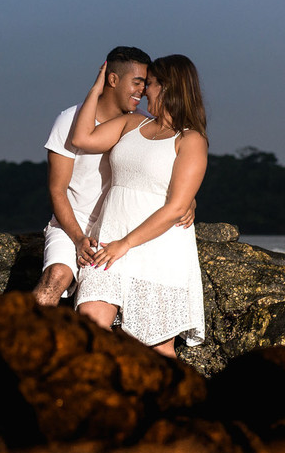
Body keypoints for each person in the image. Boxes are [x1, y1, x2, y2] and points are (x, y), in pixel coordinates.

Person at [70, 54, 208, 358]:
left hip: (156, 249)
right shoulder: (132, 123)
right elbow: (82, 138)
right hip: (110, 238)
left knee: (158, 347)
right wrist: (95, 89)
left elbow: (175, 208)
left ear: (169, 87)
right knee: (89, 327)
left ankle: (179, 405)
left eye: (151, 83)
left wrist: (126, 244)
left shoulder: (191, 140)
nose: (145, 90)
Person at [33, 47, 193, 306]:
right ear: (113, 79)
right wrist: (77, 238)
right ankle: (17, 337)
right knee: (57, 276)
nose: (143, 91)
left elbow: (168, 170)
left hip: (118, 228)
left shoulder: (142, 123)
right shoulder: (68, 119)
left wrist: (190, 201)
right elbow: (57, 190)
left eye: (146, 84)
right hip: (73, 223)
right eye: (137, 82)